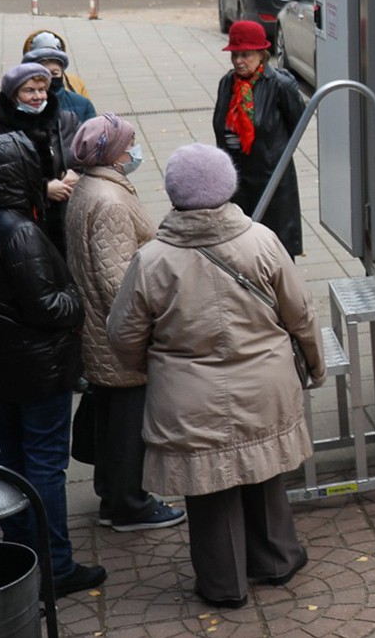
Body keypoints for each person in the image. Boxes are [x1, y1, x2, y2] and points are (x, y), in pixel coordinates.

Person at [108, 143, 322, 610]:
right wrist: (314, 363)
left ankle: (224, 584)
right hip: (266, 386)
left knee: (210, 488)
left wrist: (149, 367)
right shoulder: (261, 241)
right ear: (228, 187)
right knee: (262, 471)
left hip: (188, 398)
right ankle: (277, 560)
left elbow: (122, 335)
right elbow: (300, 314)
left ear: (174, 194)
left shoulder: (152, 260)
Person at [0, 131, 105, 596]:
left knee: (13, 460)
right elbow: (47, 308)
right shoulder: (18, 232)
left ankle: (22, 554)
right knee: (43, 466)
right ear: (13, 175)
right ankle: (55, 566)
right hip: (36, 370)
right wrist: (78, 299)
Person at [64, 113, 184, 533]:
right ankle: (130, 504)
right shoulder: (110, 201)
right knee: (128, 422)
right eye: (129, 142)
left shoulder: (90, 187)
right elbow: (119, 281)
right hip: (116, 336)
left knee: (112, 416)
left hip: (98, 330)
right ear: (113, 152)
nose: (136, 149)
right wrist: (149, 328)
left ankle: (112, 495)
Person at [211, 20, 307, 258]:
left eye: (246, 55)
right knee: (241, 246)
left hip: (270, 177)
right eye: (235, 55)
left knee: (276, 247)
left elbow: (297, 123)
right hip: (237, 177)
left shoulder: (280, 84)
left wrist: (274, 153)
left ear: (261, 55)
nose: (238, 61)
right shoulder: (227, 83)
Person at [0, 62, 80, 254]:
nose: (38, 97)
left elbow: (87, 159)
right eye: (29, 91)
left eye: (42, 90)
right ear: (13, 95)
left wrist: (77, 174)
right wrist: (42, 190)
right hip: (25, 228)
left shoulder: (66, 121)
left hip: (68, 225)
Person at [24, 44, 97, 124]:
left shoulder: (83, 104)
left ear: (62, 74)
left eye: (54, 73)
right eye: (43, 74)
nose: (49, 78)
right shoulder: (21, 105)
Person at [23, 28, 91, 98]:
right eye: (42, 73)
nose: (49, 79)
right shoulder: (19, 86)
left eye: (54, 73)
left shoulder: (76, 83)